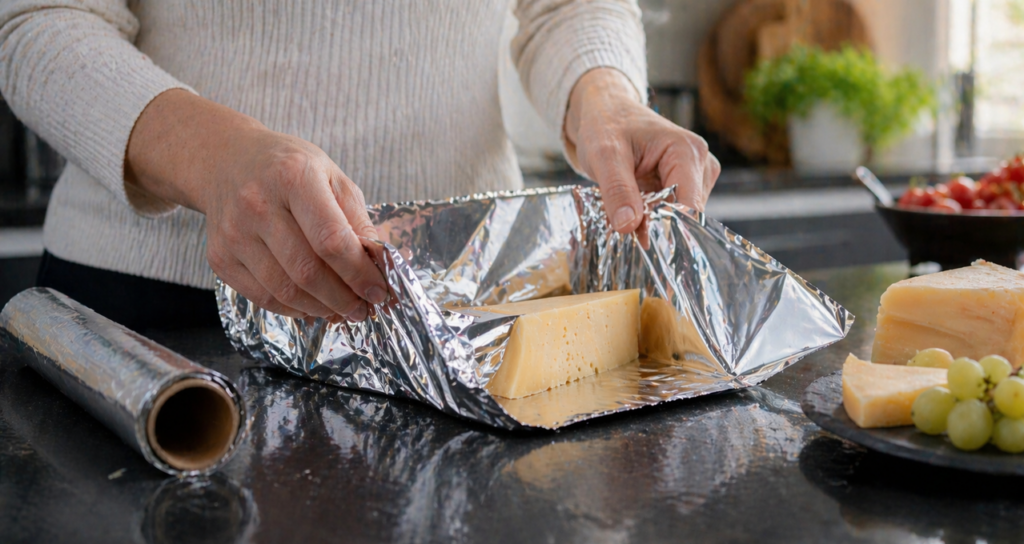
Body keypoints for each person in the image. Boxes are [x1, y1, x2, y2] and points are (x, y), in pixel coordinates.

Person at [0, 1, 719, 330]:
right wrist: (213, 157)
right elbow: (35, 21)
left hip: (465, 303)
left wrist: (607, 99)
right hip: (156, 312)